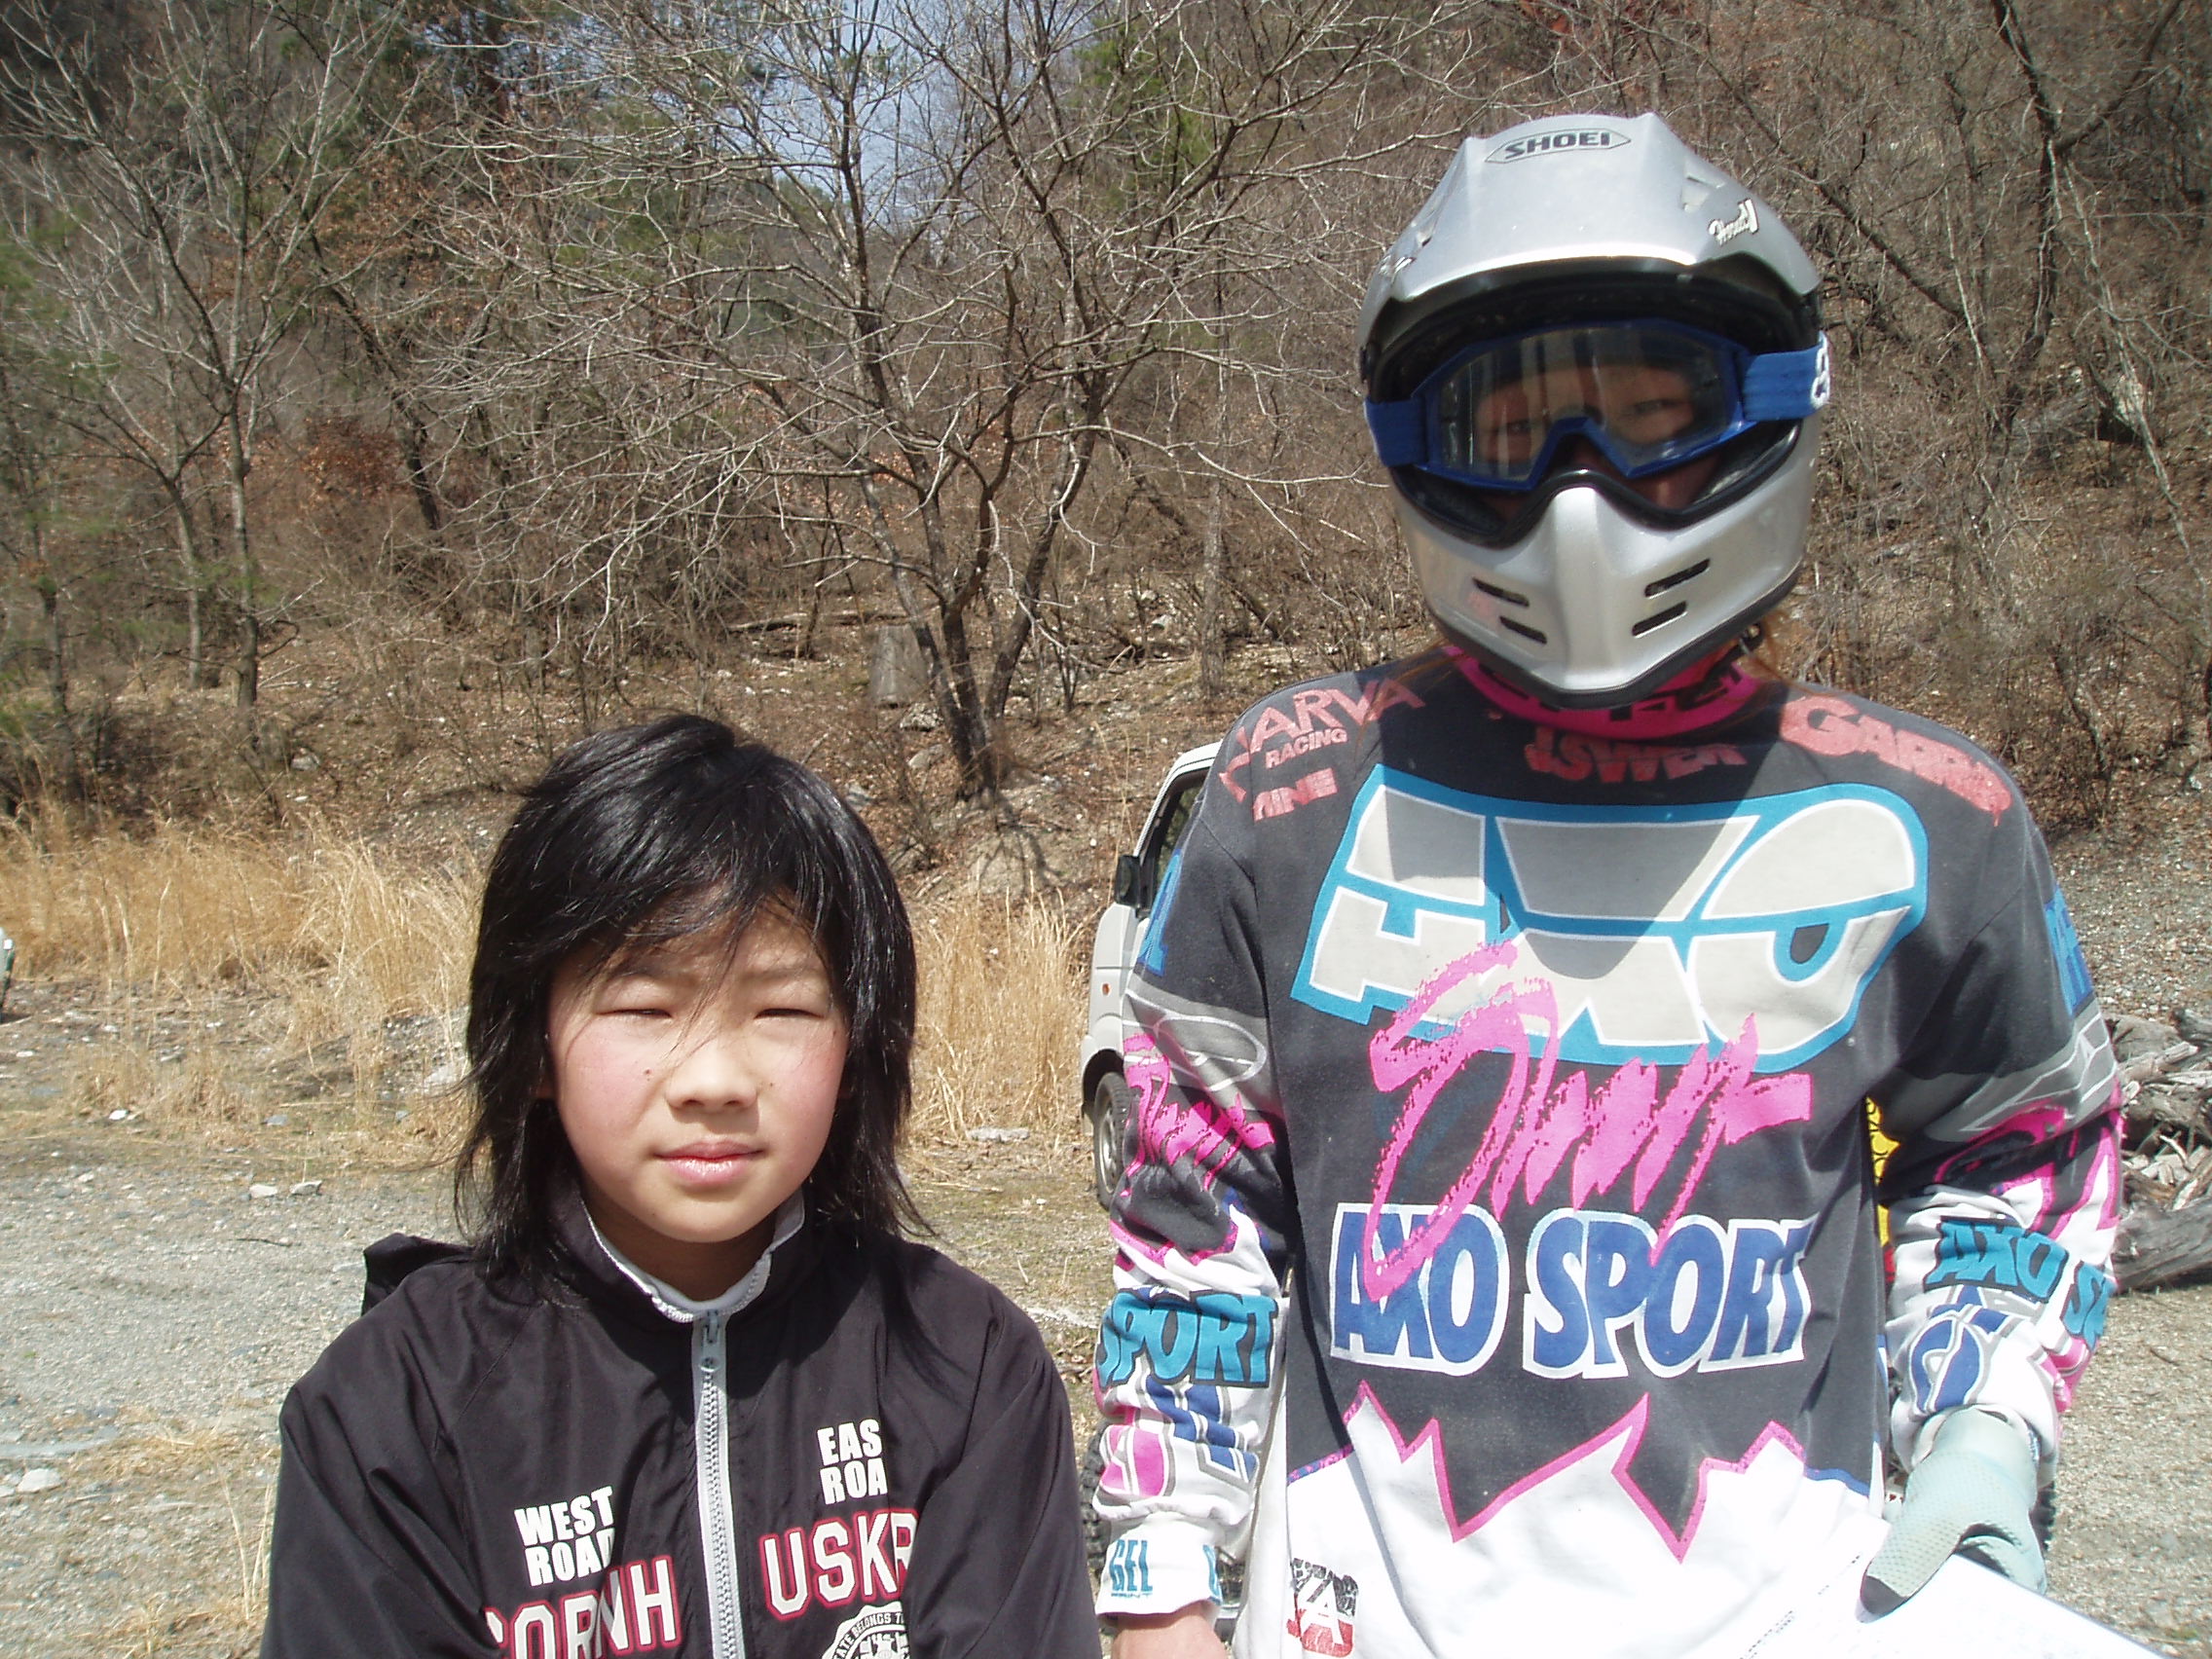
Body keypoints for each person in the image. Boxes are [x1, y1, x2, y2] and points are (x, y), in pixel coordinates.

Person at [1092, 113, 2125, 1659]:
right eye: (1514, 433)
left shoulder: (1925, 818)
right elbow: (1195, 1217)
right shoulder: (1290, 793)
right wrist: (1162, 1584)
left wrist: (1982, 1431)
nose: (1582, 490)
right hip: (1357, 1618)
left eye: (1651, 418)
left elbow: (2021, 1148)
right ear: (1422, 448)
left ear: (1768, 407)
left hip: (1792, 1615)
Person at [262, 716, 1095, 1659]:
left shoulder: (967, 1366)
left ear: (856, 1050)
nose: (713, 1081)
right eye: (644, 1006)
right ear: (533, 1046)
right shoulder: (390, 1410)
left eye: (781, 1009)